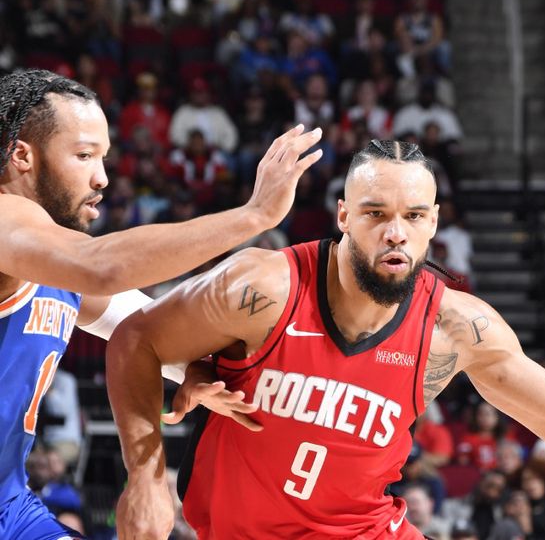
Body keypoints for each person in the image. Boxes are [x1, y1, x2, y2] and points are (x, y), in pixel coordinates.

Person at [107, 139, 545, 539]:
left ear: (434, 224)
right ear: (342, 217)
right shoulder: (261, 288)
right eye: (377, 214)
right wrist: (146, 475)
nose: (396, 232)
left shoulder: (454, 326)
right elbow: (135, 339)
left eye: (414, 217)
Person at [0, 68, 322, 539]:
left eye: (104, 157)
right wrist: (252, 215)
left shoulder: (54, 261)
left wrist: (196, 369)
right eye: (84, 155)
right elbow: (102, 266)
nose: (102, 177)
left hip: (12, 504)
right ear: (23, 156)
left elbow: (146, 331)